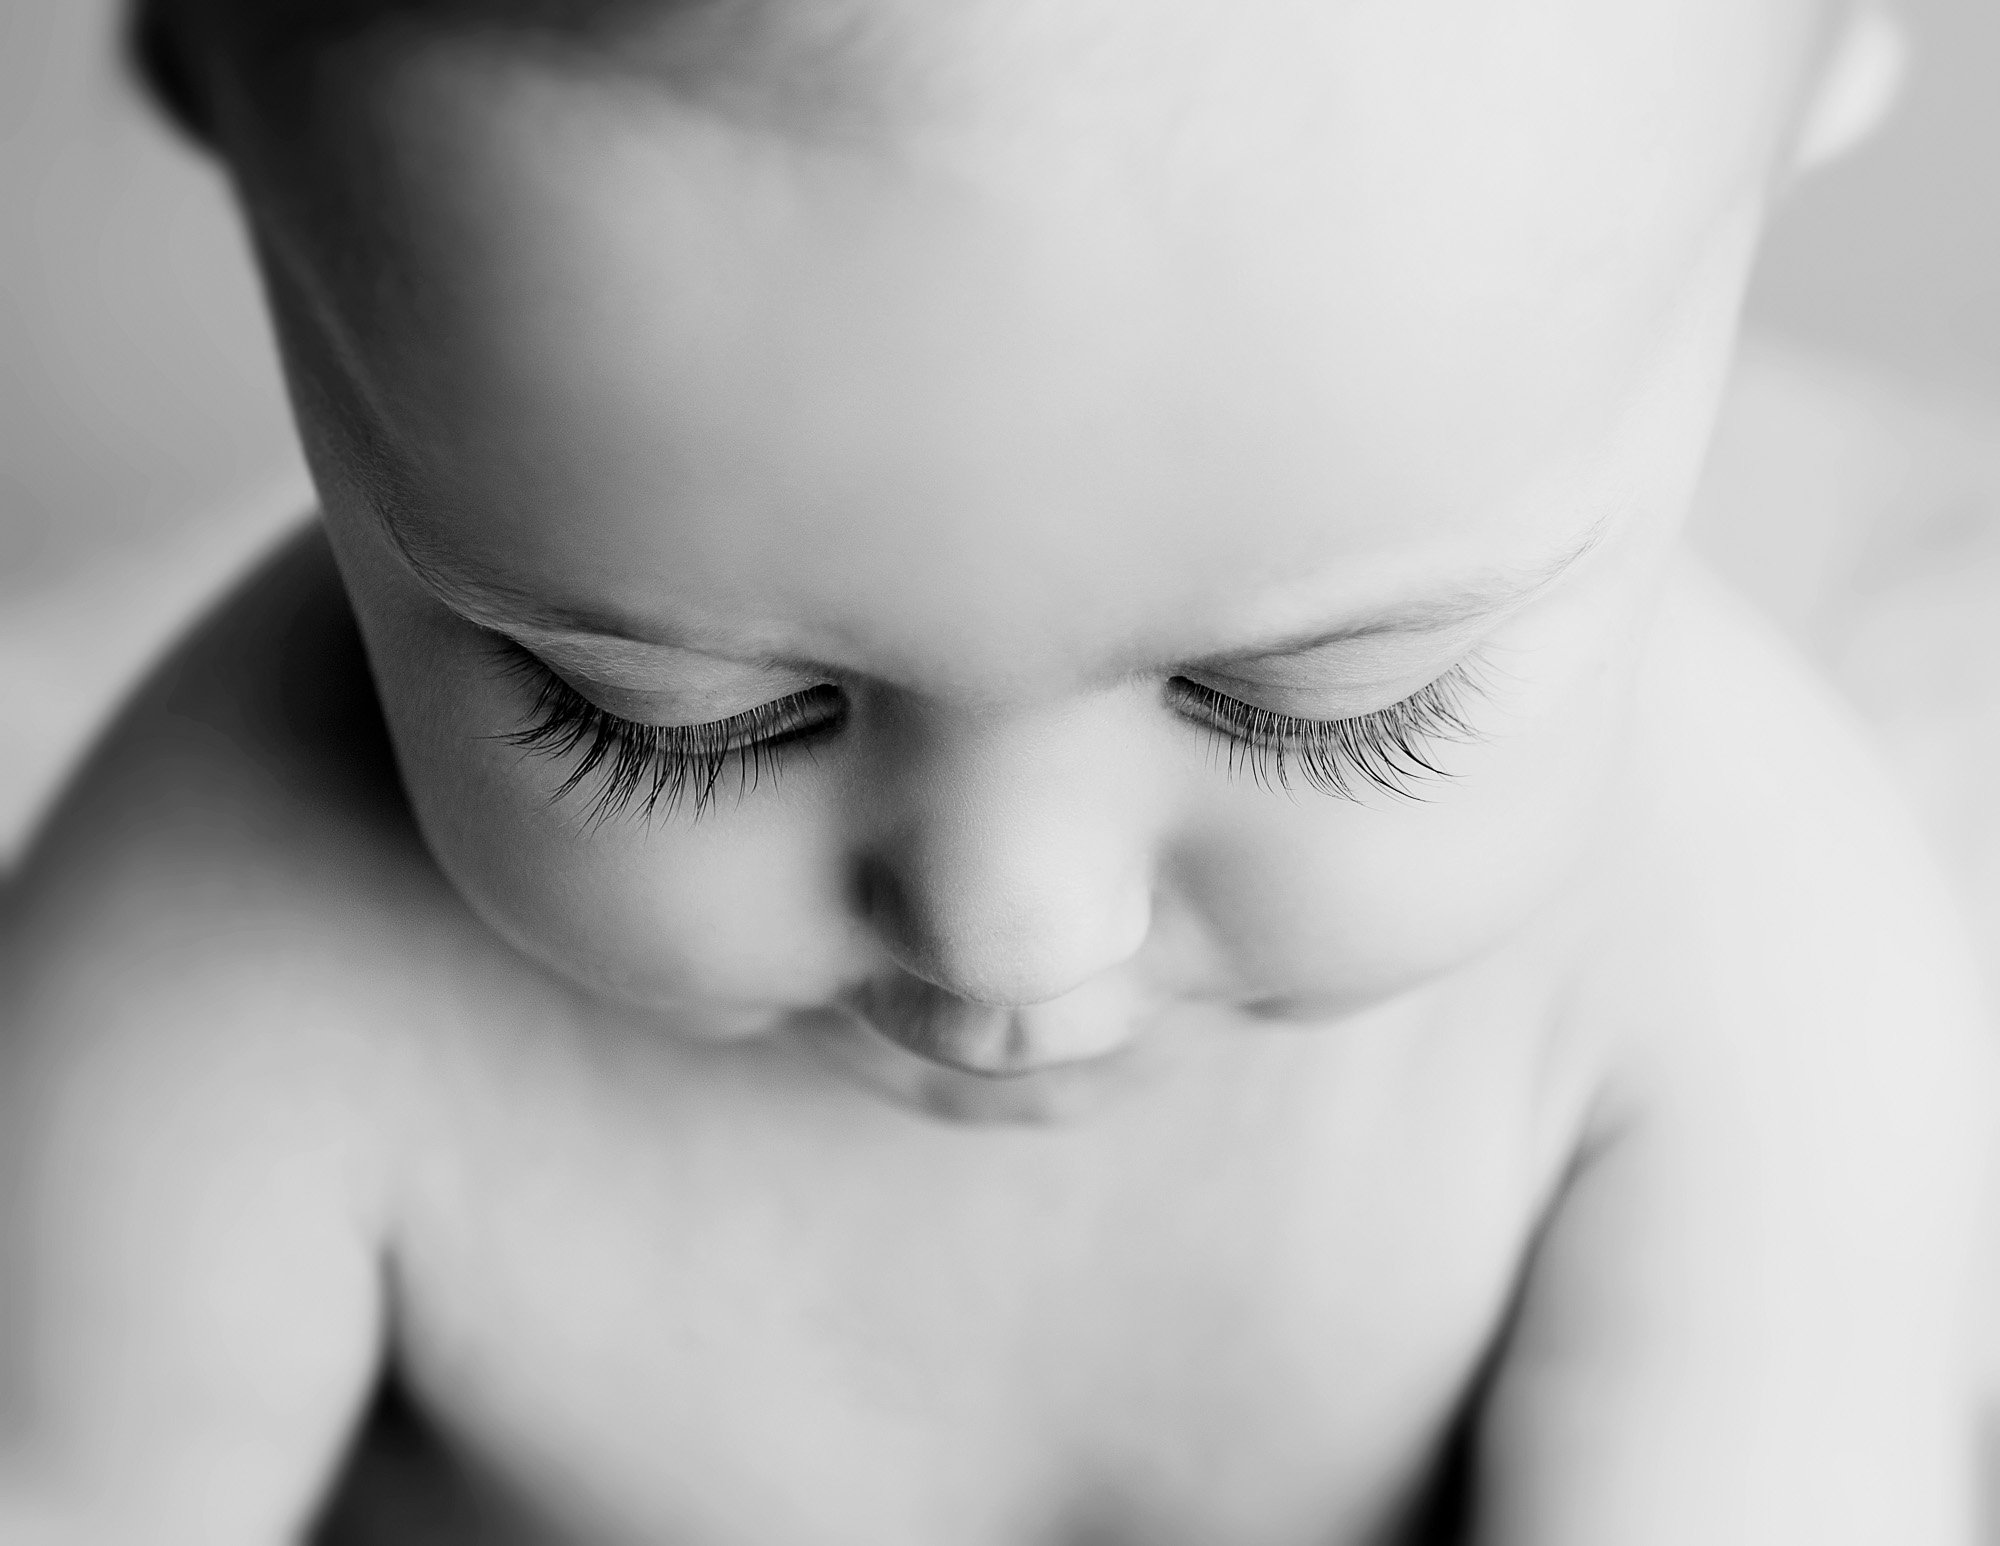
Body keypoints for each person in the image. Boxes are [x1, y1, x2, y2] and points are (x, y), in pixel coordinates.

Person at [2, 1, 1990, 1540]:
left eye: (1332, 703)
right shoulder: (213, 973)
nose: (1011, 925)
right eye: (670, 712)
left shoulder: (1737, 973)